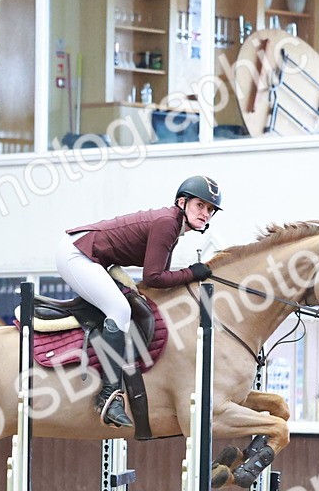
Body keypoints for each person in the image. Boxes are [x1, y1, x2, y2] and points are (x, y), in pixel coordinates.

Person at [61, 175, 221, 429]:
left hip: (90, 257)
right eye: (200, 206)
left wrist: (190, 274)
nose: (205, 214)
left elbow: (157, 280)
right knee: (120, 310)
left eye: (210, 210)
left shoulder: (173, 225)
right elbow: (154, 277)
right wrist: (192, 273)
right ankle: (108, 397)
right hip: (77, 254)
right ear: (182, 202)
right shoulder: (168, 222)